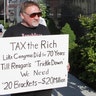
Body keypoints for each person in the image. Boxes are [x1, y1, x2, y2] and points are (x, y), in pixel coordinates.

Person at [3, 1, 70, 96]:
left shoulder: (44, 29)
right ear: (22, 15)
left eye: (39, 14)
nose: (37, 17)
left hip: (43, 86)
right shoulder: (11, 32)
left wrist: (61, 63)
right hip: (21, 87)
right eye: (33, 15)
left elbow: (51, 53)